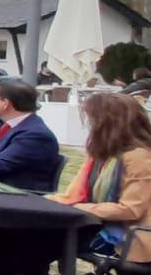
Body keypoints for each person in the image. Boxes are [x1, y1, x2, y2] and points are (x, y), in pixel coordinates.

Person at [50, 92, 151, 264]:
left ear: (107, 124)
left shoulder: (138, 157)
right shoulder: (102, 156)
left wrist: (80, 209)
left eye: (92, 120)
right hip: (101, 225)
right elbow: (74, 195)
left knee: (45, 238)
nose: (89, 126)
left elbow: (131, 209)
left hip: (125, 237)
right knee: (38, 231)